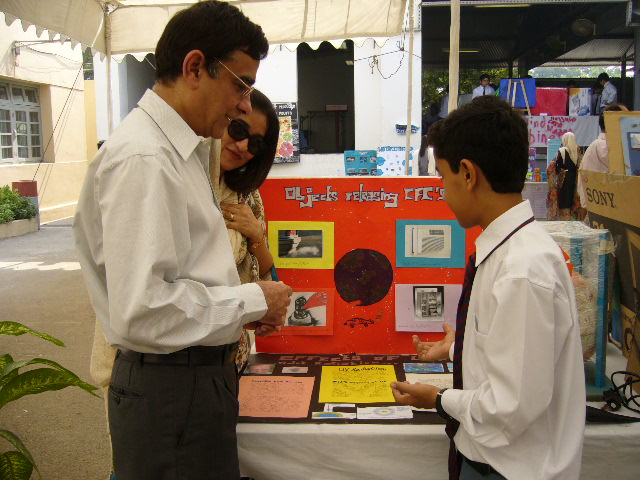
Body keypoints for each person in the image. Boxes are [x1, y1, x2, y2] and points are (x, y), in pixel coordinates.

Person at [73, 2, 292, 479]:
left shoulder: (182, 152)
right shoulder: (145, 159)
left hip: (191, 378)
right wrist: (252, 300)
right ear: (195, 67)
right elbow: (144, 310)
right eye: (240, 84)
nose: (241, 103)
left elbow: (187, 277)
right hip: (172, 384)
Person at [390, 96, 585, 480]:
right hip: (491, 457)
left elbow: (511, 406)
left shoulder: (521, 270)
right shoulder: (508, 251)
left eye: (443, 179)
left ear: (467, 173)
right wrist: (463, 345)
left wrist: (440, 399)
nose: (443, 193)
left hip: (510, 468)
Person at [211, 88, 280, 372]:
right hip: (186, 356)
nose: (242, 147)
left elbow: (267, 272)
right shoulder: (187, 186)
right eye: (239, 130)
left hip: (234, 354)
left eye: (256, 144)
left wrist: (256, 236)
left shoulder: (247, 195)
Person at [577, 103, 629, 207]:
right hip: (606, 211)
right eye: (626, 119)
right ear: (614, 122)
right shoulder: (606, 146)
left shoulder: (598, 145)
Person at [546, 131, 582, 220]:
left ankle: (564, 218)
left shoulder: (562, 150)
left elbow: (555, 167)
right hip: (575, 181)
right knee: (571, 200)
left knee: (563, 201)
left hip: (564, 181)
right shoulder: (578, 151)